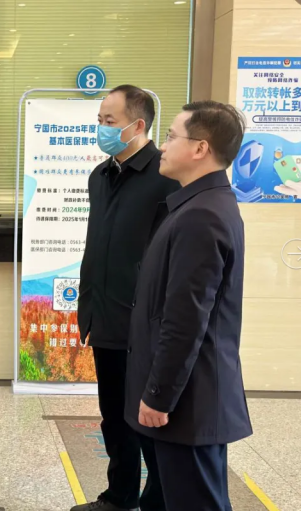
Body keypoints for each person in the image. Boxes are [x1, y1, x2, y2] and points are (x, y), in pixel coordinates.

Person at [125, 101, 253, 511]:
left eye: (170, 136)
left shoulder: (202, 216)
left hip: (187, 404)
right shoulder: (197, 204)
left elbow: (185, 320)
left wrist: (158, 396)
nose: (162, 146)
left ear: (200, 148)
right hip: (185, 399)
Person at [74, 85, 180, 511]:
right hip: (104, 316)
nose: (101, 128)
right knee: (114, 418)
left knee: (148, 422)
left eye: (109, 121)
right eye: (99, 120)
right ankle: (119, 496)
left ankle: (159, 501)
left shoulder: (165, 177)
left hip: (144, 323)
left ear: (137, 125)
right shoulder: (100, 177)